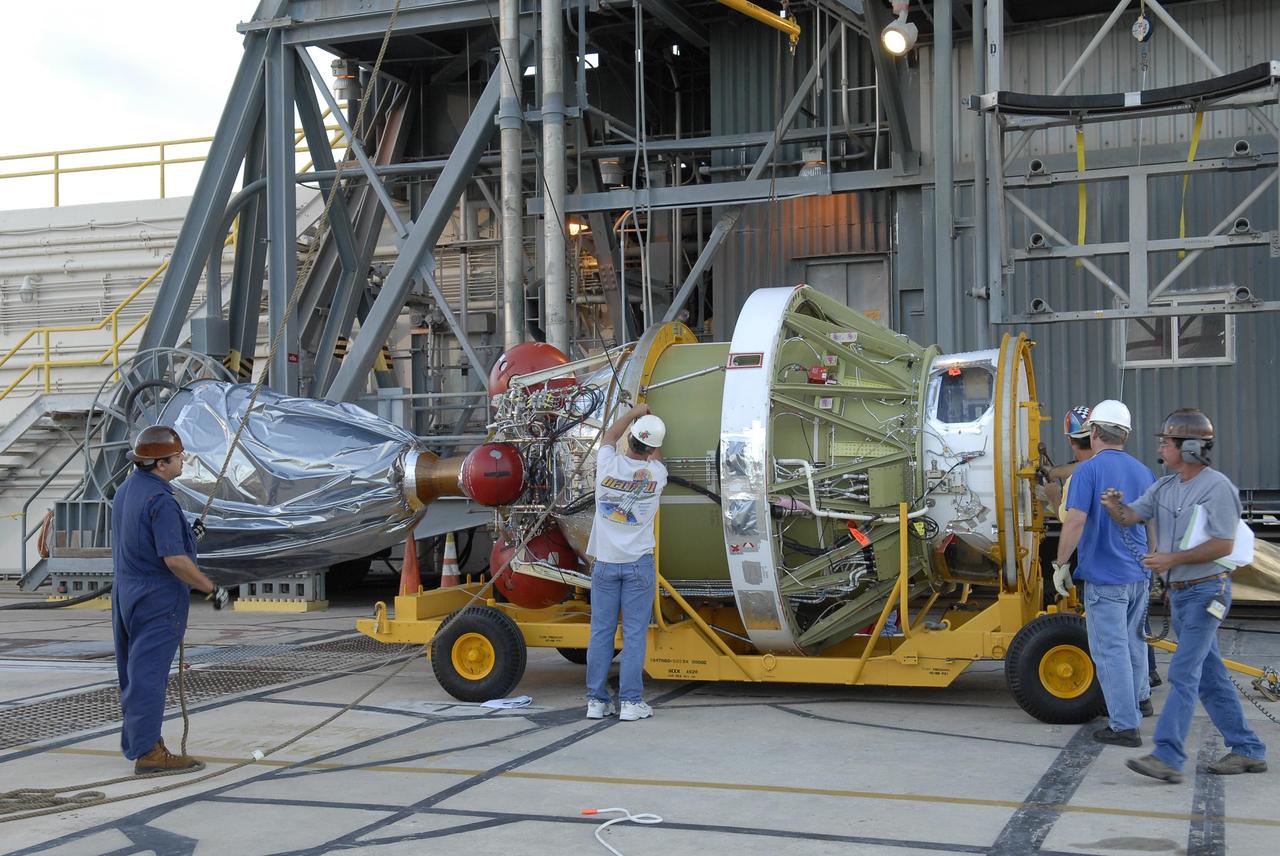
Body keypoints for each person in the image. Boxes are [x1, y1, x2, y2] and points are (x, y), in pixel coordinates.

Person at [1100, 409, 1267, 783]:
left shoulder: (1217, 487)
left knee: (1184, 673)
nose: (1160, 445)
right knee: (1210, 677)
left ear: (1190, 447)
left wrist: (1170, 559)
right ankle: (1248, 749)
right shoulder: (1165, 487)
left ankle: (1168, 755)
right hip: (1182, 596)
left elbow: (1223, 543)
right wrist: (1115, 508)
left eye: (1166, 441)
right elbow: (1131, 517)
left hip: (1208, 592)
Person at [111, 425, 229, 773]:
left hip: (126, 593)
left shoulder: (126, 491)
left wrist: (185, 535)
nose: (183, 460)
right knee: (149, 674)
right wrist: (210, 587)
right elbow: (174, 561)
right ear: (161, 463)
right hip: (156, 598)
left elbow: (141, 539)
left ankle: (138, 738)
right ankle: (148, 752)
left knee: (133, 672)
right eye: (179, 456)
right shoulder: (160, 500)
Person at [1053, 399, 1155, 747]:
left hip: (1106, 577)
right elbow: (1150, 522)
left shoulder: (1087, 471)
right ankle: (1141, 698)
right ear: (1124, 434)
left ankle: (1125, 725)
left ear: (1093, 432)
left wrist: (1061, 563)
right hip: (1139, 573)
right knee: (1134, 641)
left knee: (1110, 651)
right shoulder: (1143, 471)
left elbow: (1076, 521)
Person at [584, 404, 668, 722]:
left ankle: (596, 700)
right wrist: (653, 427)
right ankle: (631, 703)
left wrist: (635, 413)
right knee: (634, 634)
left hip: (605, 564)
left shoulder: (606, 465)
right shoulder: (657, 475)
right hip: (638, 565)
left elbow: (609, 436)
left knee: (600, 633)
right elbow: (654, 456)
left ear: (630, 439)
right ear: (652, 449)